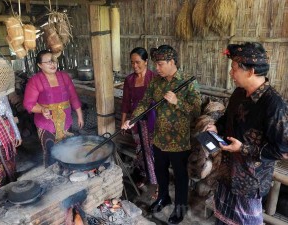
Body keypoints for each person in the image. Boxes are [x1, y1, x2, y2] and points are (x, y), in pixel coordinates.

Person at [206, 42, 288, 225]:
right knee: (222, 220)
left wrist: (243, 148)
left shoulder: (274, 104)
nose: (231, 73)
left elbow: (282, 150)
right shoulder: (238, 93)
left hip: (250, 181)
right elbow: (227, 118)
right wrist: (216, 127)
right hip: (227, 171)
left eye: (234, 69)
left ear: (250, 71)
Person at [122, 45, 202, 224]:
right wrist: (133, 119)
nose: (156, 68)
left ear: (172, 62)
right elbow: (143, 102)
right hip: (158, 138)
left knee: (181, 175)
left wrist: (177, 101)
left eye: (160, 64)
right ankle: (163, 197)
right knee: (160, 171)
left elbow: (196, 111)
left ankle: (180, 208)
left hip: (179, 141)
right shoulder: (156, 82)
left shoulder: (188, 81)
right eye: (156, 64)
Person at [23, 50, 84, 168]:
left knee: (67, 147)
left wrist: (80, 115)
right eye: (48, 62)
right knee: (51, 151)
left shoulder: (64, 77)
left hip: (66, 120)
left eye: (54, 61)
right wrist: (42, 110)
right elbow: (29, 104)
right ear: (40, 65)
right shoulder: (35, 80)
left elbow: (73, 97)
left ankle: (68, 169)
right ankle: (53, 172)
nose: (53, 64)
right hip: (46, 123)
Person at [121, 47, 157, 192]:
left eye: (138, 62)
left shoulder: (154, 78)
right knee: (141, 150)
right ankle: (143, 175)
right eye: (132, 63)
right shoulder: (129, 80)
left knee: (151, 151)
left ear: (146, 61)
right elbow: (125, 102)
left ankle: (155, 180)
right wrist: (123, 122)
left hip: (152, 121)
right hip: (136, 121)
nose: (135, 66)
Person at [0, 59, 22, 190]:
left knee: (11, 169)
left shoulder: (1, 93)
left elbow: (8, 113)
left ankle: (14, 193)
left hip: (6, 137)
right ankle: (0, 201)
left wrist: (17, 134)